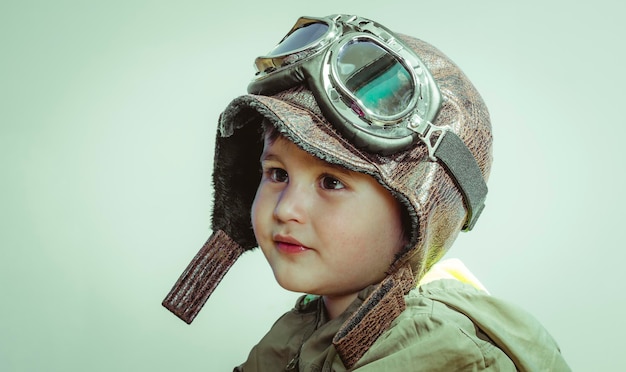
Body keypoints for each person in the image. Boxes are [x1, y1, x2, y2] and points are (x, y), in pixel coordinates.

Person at [162, 14, 570, 371]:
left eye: (332, 182)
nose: (287, 209)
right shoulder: (309, 324)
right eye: (277, 174)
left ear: (417, 216)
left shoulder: (442, 350)